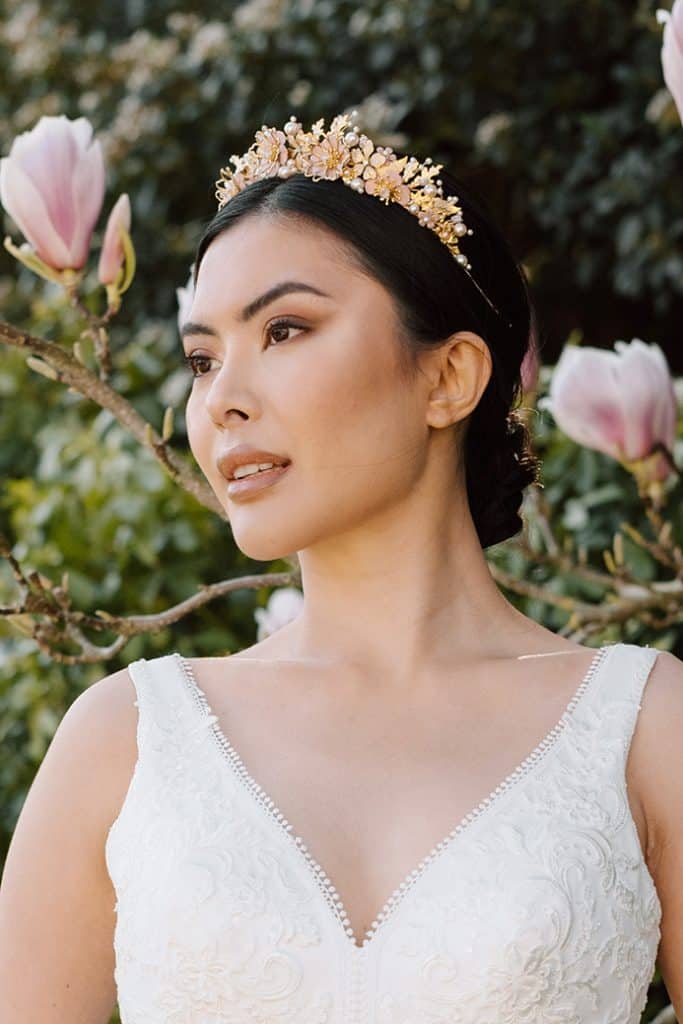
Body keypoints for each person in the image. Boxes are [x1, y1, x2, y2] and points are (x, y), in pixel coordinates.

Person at [1, 111, 682, 1023]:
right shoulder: (123, 743)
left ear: (448, 378)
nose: (221, 404)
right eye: (202, 359)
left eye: (284, 330)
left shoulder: (644, 728)